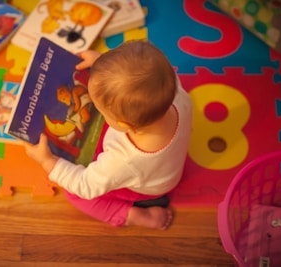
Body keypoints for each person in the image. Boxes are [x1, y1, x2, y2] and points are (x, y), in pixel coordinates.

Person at [24, 40, 193, 230]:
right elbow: (140, 75)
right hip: (163, 167)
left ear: (124, 125)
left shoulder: (124, 160)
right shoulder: (177, 93)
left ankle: (133, 215)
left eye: (102, 112)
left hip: (148, 189)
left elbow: (84, 185)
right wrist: (103, 64)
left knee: (74, 194)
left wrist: (48, 162)